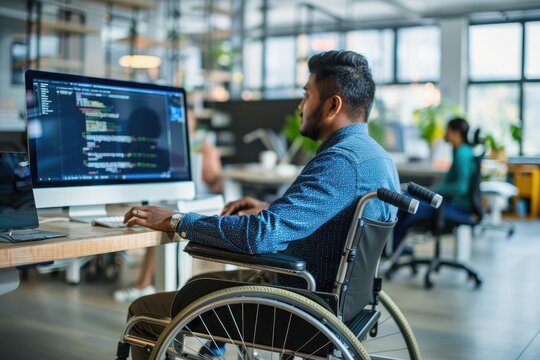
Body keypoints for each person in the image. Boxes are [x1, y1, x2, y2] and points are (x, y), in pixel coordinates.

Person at [123, 50, 400, 360]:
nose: (300, 105)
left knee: (142, 313)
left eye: (306, 95)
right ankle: (209, 349)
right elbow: (335, 221)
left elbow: (259, 236)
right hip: (339, 301)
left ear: (333, 105)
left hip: (294, 308)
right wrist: (270, 207)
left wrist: (177, 220)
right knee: (199, 283)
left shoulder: (341, 161)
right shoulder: (376, 157)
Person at [113, 108, 223, 302]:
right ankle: (147, 283)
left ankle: (145, 283)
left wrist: (210, 158)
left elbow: (214, 181)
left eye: (187, 119)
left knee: (161, 221)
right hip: (159, 201)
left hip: (190, 201)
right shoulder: (163, 149)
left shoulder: (198, 146)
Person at [392, 117, 478, 251]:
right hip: (453, 203)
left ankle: (394, 248)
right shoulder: (464, 150)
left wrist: (435, 189)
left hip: (456, 206)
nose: (445, 133)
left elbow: (461, 187)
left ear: (456, 133)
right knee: (406, 198)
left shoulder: (462, 153)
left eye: (447, 130)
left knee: (408, 206)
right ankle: (396, 247)